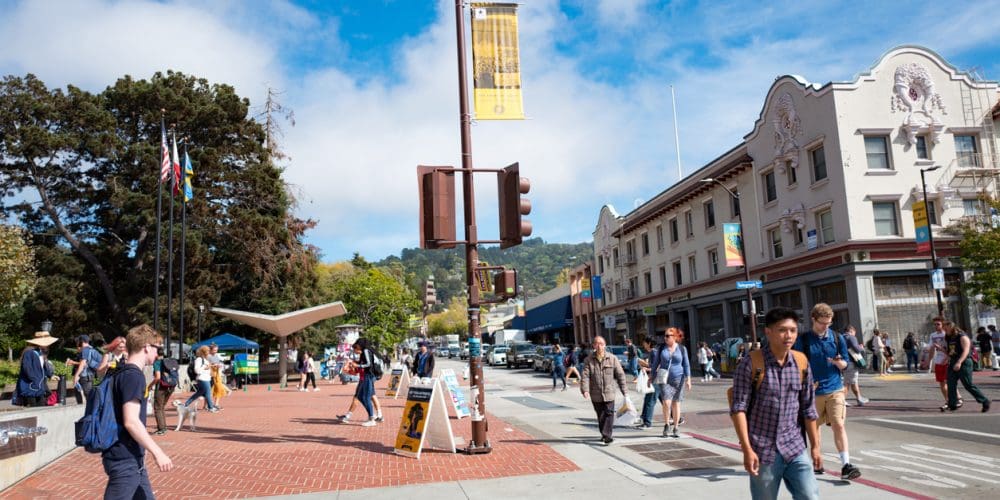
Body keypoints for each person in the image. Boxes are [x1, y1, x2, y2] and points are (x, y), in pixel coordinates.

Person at [731, 307, 821, 500]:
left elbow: (808, 407)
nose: (788, 335)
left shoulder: (801, 362)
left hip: (795, 447)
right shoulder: (751, 363)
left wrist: (815, 446)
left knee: (810, 496)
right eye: (782, 330)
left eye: (793, 330)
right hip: (763, 450)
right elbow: (738, 408)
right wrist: (747, 449)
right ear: (768, 332)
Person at [102, 324, 172, 498]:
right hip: (125, 458)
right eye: (157, 348)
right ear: (147, 347)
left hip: (130, 457)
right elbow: (131, 421)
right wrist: (158, 452)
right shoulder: (133, 376)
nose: (158, 354)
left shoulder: (120, 372)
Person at [793, 303, 861, 480]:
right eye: (822, 323)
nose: (825, 326)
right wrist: (805, 382)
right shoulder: (804, 340)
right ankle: (817, 461)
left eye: (828, 323)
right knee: (814, 430)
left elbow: (846, 363)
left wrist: (840, 364)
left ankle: (846, 465)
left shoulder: (837, 338)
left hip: (835, 389)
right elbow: (796, 364)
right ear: (813, 319)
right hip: (813, 392)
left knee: (838, 424)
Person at [581, 335, 627, 445]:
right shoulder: (589, 360)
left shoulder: (612, 358)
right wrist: (585, 390)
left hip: (609, 392)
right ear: (593, 346)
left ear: (605, 345)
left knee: (609, 413)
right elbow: (585, 376)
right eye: (597, 343)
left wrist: (624, 391)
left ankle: (607, 436)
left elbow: (620, 375)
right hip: (595, 393)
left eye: (601, 344)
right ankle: (604, 434)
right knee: (601, 415)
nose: (599, 346)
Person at [650, 327, 691, 438]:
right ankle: (667, 424)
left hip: (679, 379)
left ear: (675, 337)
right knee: (666, 403)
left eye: (668, 336)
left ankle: (676, 427)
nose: (665, 338)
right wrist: (651, 376)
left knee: (676, 403)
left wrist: (688, 379)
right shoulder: (661, 348)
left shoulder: (682, 349)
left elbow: (686, 364)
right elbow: (655, 364)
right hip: (665, 379)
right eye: (665, 336)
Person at [944, 323, 991, 412]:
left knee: (967, 384)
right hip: (953, 361)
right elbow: (951, 352)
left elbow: (966, 351)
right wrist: (943, 352)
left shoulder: (962, 337)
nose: (945, 331)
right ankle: (952, 404)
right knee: (950, 382)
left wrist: (959, 362)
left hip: (964, 361)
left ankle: (985, 401)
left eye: (946, 329)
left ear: (951, 327)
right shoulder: (949, 337)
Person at [338, 339, 383, 426]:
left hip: (368, 376)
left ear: (359, 346)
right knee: (361, 397)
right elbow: (364, 363)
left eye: (356, 348)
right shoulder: (364, 352)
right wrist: (355, 363)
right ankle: (372, 415)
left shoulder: (366, 351)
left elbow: (368, 364)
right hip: (365, 377)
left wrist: (357, 365)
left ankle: (371, 418)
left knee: (366, 397)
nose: (355, 351)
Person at [14, 331, 59, 407]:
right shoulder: (29, 352)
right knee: (32, 409)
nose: (48, 345)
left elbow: (42, 367)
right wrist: (35, 379)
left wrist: (50, 375)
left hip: (38, 386)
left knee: (41, 407)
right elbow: (27, 368)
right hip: (30, 386)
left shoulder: (39, 353)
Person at [929, 317, 961, 410]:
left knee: (949, 381)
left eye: (938, 324)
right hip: (938, 361)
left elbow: (951, 349)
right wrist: (928, 360)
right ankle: (947, 401)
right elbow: (931, 347)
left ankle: (957, 398)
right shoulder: (933, 335)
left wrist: (947, 358)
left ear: (943, 324)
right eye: (935, 324)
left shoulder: (947, 335)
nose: (936, 326)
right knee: (941, 383)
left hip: (948, 361)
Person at [67, 334, 102, 404]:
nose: (77, 344)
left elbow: (83, 363)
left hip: (85, 376)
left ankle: (92, 412)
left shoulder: (85, 350)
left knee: (88, 396)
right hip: (89, 376)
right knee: (82, 394)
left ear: (82, 341)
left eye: (78, 342)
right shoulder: (92, 350)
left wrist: (76, 375)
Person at [183, 346, 220, 412]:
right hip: (202, 379)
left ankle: (185, 404)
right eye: (208, 351)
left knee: (198, 393)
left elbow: (207, 368)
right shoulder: (199, 359)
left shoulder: (205, 360)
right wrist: (204, 367)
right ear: (204, 352)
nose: (209, 352)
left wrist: (212, 366)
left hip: (206, 378)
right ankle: (211, 407)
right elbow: (197, 370)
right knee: (208, 393)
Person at [842, 326, 870, 406]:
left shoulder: (840, 337)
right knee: (847, 383)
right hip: (851, 362)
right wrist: (860, 347)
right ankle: (841, 400)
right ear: (851, 331)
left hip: (844, 362)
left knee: (853, 381)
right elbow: (856, 349)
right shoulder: (851, 337)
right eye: (855, 333)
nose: (855, 334)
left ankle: (859, 398)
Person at [636, 338, 659, 429]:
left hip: (655, 380)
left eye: (644, 343)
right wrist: (644, 364)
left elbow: (656, 367)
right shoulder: (653, 352)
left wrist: (646, 368)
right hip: (656, 380)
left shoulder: (653, 352)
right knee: (662, 400)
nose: (643, 344)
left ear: (649, 343)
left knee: (650, 400)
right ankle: (644, 419)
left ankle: (647, 422)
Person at [148, 346, 170, 435]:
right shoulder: (168, 360)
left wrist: (149, 386)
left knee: (158, 407)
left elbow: (157, 377)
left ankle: (161, 429)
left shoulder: (157, 362)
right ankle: (164, 427)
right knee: (161, 407)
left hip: (161, 386)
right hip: (170, 386)